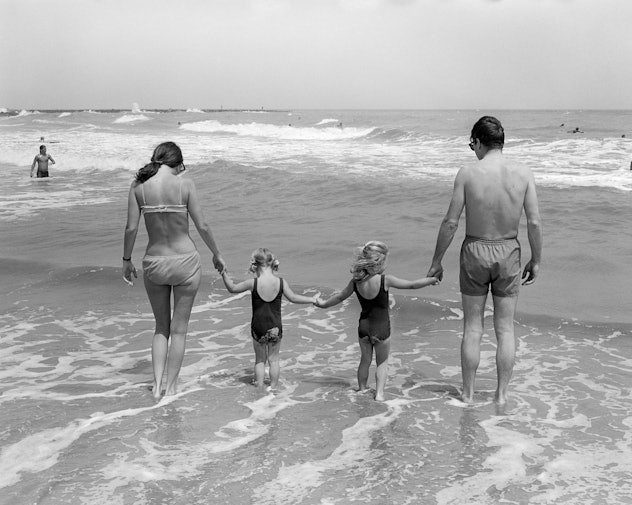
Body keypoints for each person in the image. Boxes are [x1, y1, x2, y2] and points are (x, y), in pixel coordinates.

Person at [427, 116, 542, 405]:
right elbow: (535, 223)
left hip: (475, 250)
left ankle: (467, 395)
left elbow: (451, 222)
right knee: (505, 329)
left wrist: (436, 261)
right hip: (509, 251)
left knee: (473, 328)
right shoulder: (524, 173)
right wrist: (536, 259)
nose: (472, 150)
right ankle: (501, 397)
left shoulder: (468, 173)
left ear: (478, 141)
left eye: (472, 144)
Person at [123, 141, 225, 401]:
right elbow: (202, 224)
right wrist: (216, 253)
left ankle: (156, 386)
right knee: (179, 330)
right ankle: (173, 386)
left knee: (161, 328)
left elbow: (131, 229)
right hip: (186, 263)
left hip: (155, 262)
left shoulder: (139, 188)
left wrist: (126, 260)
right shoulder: (186, 185)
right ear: (177, 162)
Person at [315, 241, 439, 401]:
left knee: (365, 360)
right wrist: (431, 280)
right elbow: (412, 285)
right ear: (379, 263)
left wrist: (323, 304)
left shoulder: (355, 282)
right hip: (381, 329)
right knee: (382, 362)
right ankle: (379, 394)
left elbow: (339, 297)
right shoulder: (384, 280)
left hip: (364, 328)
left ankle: (361, 389)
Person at [219, 248, 316, 389]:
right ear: (272, 264)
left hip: (258, 327)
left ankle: (258, 386)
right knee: (274, 360)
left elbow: (232, 288)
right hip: (276, 327)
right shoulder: (281, 282)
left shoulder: (253, 283)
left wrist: (224, 273)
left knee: (260, 360)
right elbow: (294, 298)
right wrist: (312, 299)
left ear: (255, 265)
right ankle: (273, 387)